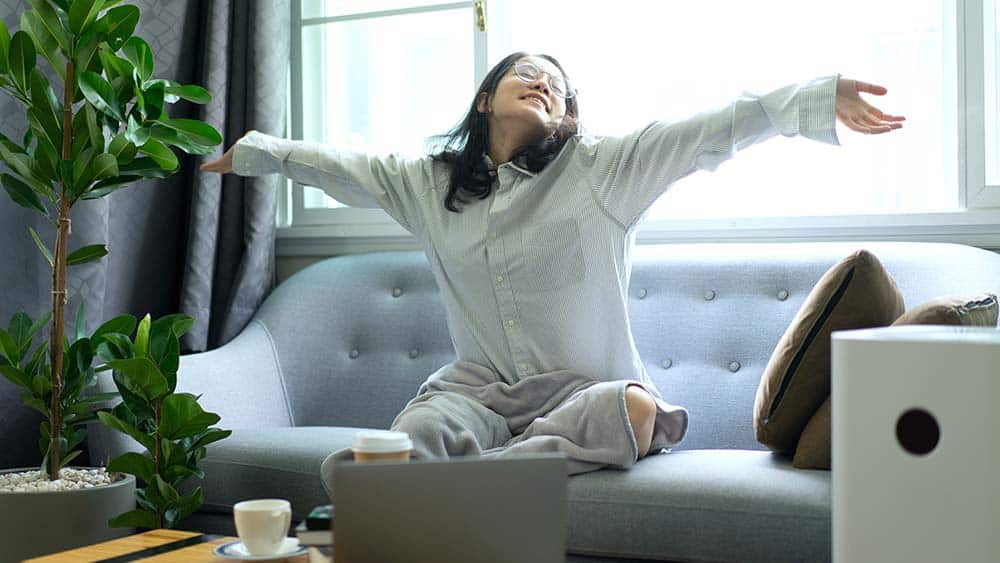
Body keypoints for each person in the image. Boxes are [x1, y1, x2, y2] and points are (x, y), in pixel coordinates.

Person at [201, 52, 904, 477]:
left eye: (558, 87)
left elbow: (712, 128)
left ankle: (454, 483)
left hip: (580, 394)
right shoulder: (429, 183)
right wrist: (256, 152)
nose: (544, 85)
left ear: (569, 116)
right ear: (485, 100)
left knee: (632, 409)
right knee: (414, 436)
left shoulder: (600, 169)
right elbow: (343, 168)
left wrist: (814, 97)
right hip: (475, 391)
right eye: (527, 75)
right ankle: (431, 480)